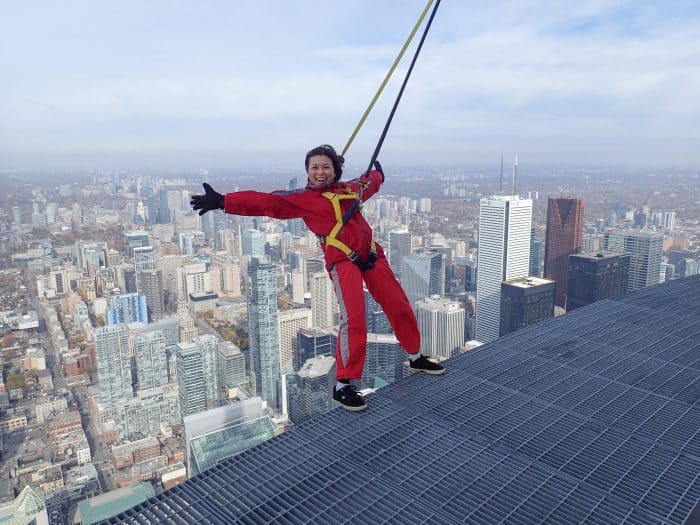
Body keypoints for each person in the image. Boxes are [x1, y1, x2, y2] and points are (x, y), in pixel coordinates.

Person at [191, 144, 444, 411]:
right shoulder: (303, 199)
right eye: (314, 167)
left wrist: (379, 175)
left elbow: (367, 184)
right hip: (343, 260)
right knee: (354, 318)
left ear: (335, 170)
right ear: (307, 172)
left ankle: (415, 355)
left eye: (326, 167)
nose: (320, 172)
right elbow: (267, 202)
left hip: (371, 255)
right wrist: (222, 201)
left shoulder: (349, 190)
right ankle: (343, 385)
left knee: (398, 303)